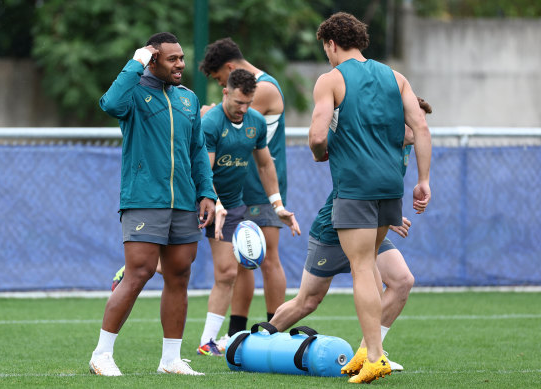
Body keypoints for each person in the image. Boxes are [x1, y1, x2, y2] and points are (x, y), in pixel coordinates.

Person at [308, 13, 432, 383]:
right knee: (372, 266)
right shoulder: (396, 77)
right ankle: (370, 350)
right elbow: (421, 127)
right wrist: (423, 180)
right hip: (391, 185)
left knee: (363, 268)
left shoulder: (330, 80)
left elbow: (317, 138)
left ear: (331, 44)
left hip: (355, 186)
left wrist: (321, 153)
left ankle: (374, 355)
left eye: (325, 49)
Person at [270, 97, 433, 373]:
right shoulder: (374, 143)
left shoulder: (405, 148)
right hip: (335, 227)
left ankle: (372, 353)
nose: (420, 126)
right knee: (307, 301)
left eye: (423, 121)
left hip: (371, 226)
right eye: (414, 121)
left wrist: (388, 216)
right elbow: (355, 187)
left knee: (402, 281)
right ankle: (258, 341)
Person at [89, 32, 217, 377]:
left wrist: (207, 193)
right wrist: (135, 60)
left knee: (179, 276)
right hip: (144, 200)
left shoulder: (188, 100)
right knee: (140, 272)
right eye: (172, 59)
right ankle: (101, 355)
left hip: (184, 203)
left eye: (182, 58)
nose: (181, 65)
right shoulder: (132, 94)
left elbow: (196, 153)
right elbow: (110, 104)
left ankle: (171, 360)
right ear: (153, 59)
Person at [196, 68, 300, 356]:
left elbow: (265, 165)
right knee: (174, 266)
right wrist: (214, 202)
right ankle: (134, 267)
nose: (243, 109)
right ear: (225, 93)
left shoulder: (255, 122)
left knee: (229, 272)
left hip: (232, 206)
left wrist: (278, 205)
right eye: (238, 102)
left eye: (249, 102)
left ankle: (207, 342)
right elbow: (205, 170)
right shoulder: (211, 123)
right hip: (200, 201)